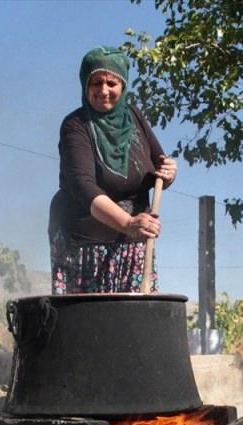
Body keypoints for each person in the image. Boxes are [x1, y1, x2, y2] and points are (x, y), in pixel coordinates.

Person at [48, 45, 177, 294]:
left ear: (123, 86)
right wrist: (128, 223)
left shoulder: (134, 118)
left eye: (111, 83)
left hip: (135, 247)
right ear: (85, 86)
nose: (104, 91)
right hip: (85, 247)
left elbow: (158, 167)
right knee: (89, 324)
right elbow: (84, 187)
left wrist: (170, 173)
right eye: (96, 83)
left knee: (134, 324)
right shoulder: (75, 126)